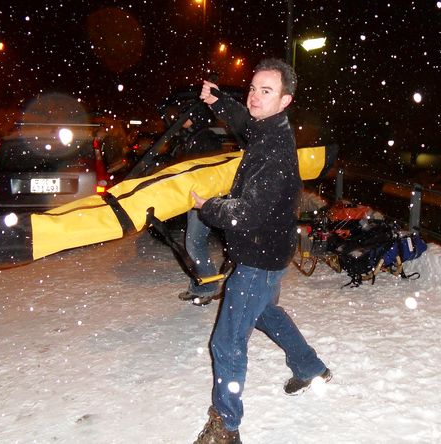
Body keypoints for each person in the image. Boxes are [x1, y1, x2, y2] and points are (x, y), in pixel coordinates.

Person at [191, 58, 332, 443]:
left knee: (226, 343)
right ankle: (310, 367)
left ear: (285, 100)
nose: (254, 97)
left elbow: (246, 214)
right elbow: (245, 122)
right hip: (269, 252)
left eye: (266, 91)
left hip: (258, 258)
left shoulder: (274, 152)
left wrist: (208, 206)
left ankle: (226, 426)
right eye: (253, 88)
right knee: (266, 314)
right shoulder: (270, 127)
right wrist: (220, 101)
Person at [174, 103, 225, 306]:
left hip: (204, 198)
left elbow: (207, 170)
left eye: (184, 115)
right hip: (195, 196)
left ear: (194, 117)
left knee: (195, 242)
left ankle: (209, 287)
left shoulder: (206, 138)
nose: (180, 119)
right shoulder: (192, 137)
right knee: (193, 242)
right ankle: (199, 286)